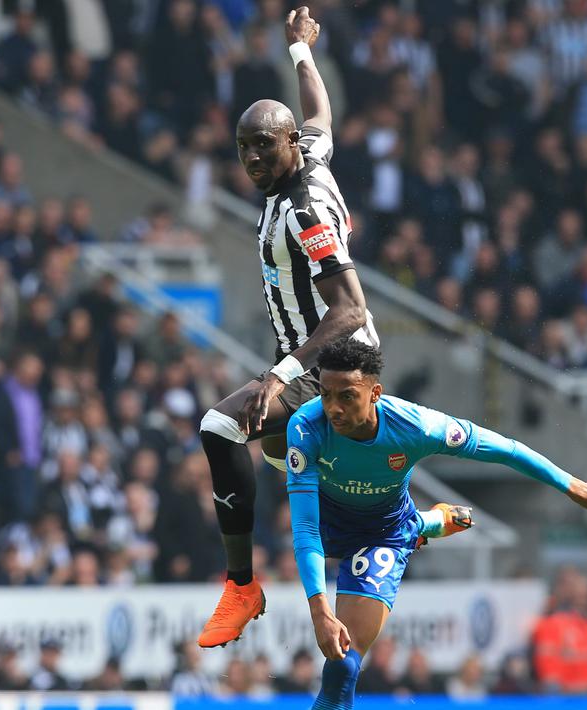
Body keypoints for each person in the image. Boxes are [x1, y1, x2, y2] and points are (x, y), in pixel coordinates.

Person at [284, 339, 587, 709]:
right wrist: (320, 611)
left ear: (375, 392)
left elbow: (504, 448)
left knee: (343, 665)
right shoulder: (306, 426)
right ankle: (429, 522)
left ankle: (421, 525)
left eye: (346, 397)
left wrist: (571, 484)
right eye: (326, 395)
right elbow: (307, 531)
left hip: (382, 536)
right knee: (270, 448)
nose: (333, 409)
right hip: (326, 524)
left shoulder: (417, 426)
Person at [197, 6, 378, 649]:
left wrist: (277, 375)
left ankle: (241, 588)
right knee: (289, 466)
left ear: (287, 147)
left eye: (263, 145)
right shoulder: (313, 157)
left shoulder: (302, 210)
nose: (251, 158)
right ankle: (414, 524)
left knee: (221, 428)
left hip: (336, 366)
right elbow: (322, 116)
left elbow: (351, 309)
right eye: (243, 147)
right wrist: (302, 52)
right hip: (307, 360)